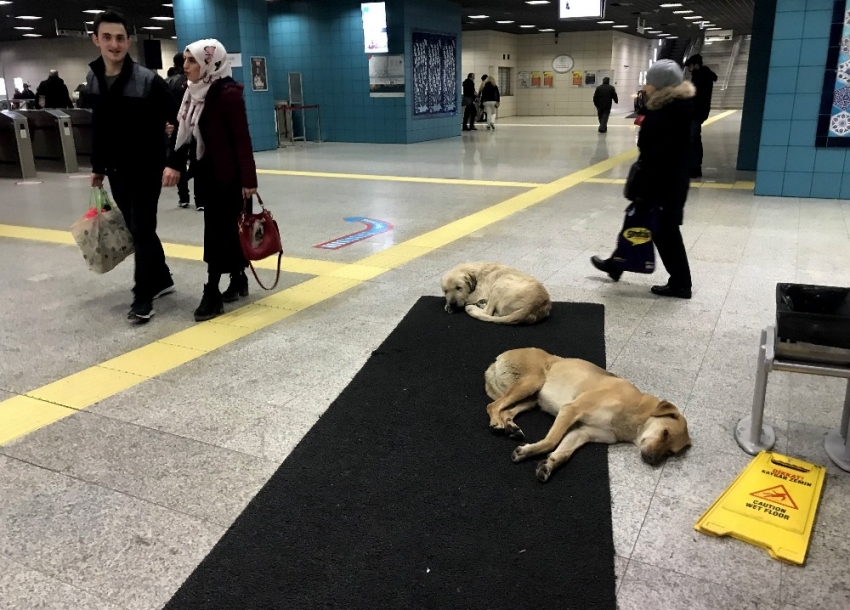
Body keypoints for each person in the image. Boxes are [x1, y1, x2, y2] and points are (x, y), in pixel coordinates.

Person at [86, 9, 178, 322]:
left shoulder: (148, 80)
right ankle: (162, 278)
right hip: (115, 169)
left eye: (121, 38)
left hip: (147, 167)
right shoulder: (94, 79)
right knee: (138, 228)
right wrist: (98, 167)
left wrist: (172, 161)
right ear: (96, 39)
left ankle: (143, 295)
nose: (114, 44)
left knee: (142, 228)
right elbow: (98, 126)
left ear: (129, 41)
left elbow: (178, 119)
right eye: (107, 37)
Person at [168, 38, 258, 322]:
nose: (186, 66)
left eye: (192, 60)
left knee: (216, 235)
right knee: (228, 232)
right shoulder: (192, 94)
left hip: (229, 179)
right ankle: (239, 278)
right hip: (207, 177)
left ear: (210, 62)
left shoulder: (227, 94)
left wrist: (249, 182)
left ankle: (212, 291)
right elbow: (184, 135)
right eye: (185, 60)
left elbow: (242, 140)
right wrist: (174, 165)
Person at [591, 59, 695, 299]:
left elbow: (658, 157)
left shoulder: (667, 113)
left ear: (661, 86)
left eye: (649, 82)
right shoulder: (675, 108)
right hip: (668, 182)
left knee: (664, 232)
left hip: (661, 184)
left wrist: (645, 192)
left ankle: (681, 283)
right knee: (642, 223)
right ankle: (616, 266)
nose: (645, 87)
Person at [165, 53, 198, 210]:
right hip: (193, 126)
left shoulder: (168, 82)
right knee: (196, 161)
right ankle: (201, 200)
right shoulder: (192, 82)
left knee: (179, 163)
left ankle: (183, 197)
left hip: (177, 128)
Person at [684, 54, 717, 179]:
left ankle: (694, 168)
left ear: (696, 65)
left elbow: (696, 96)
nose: (688, 69)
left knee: (693, 140)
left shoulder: (701, 77)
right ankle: (695, 167)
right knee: (695, 140)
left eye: (690, 66)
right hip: (698, 112)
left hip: (696, 112)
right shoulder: (702, 75)